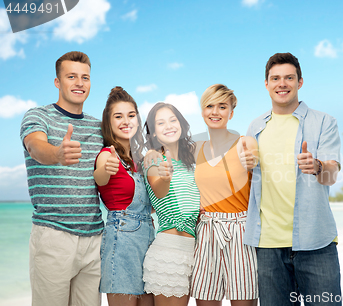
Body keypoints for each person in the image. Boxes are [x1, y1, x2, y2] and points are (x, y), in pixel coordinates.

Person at [244, 52, 342, 306]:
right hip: (268, 246)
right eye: (275, 78)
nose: (282, 83)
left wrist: (317, 165)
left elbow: (331, 174)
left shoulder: (324, 122)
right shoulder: (256, 127)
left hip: (316, 242)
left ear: (300, 82)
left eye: (289, 77)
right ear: (266, 84)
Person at [20, 51, 103, 306]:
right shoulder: (38, 116)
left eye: (85, 77)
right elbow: (35, 147)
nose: (79, 83)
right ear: (58, 82)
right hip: (53, 236)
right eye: (71, 76)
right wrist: (57, 153)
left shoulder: (99, 128)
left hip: (94, 239)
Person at [190, 84, 259, 306]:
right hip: (206, 230)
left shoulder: (245, 143)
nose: (215, 112)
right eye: (209, 106)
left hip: (241, 231)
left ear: (231, 112)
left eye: (222, 106)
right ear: (202, 111)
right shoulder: (194, 148)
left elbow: (256, 164)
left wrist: (253, 163)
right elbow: (162, 151)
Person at [93, 86, 155, 306]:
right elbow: (100, 177)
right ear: (108, 122)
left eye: (131, 115)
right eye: (118, 116)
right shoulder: (107, 154)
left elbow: (153, 205)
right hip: (121, 241)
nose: (125, 121)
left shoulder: (140, 159)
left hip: (149, 241)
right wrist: (104, 170)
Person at [142, 103, 200, 306]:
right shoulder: (154, 158)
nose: (168, 126)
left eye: (172, 120)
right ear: (154, 133)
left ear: (181, 125)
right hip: (169, 254)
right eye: (160, 123)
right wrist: (164, 177)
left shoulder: (191, 162)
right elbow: (158, 188)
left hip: (194, 254)